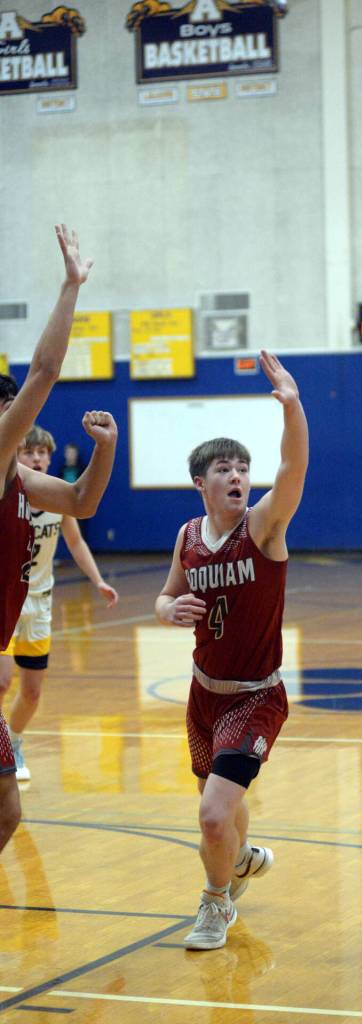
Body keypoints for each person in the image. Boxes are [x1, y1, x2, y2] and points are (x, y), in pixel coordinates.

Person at [155, 350, 308, 951]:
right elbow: (165, 599)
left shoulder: (265, 527)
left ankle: (216, 903)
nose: (239, 475)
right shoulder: (188, 536)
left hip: (255, 696)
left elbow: (293, 467)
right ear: (202, 483)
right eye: (226, 468)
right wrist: (172, 611)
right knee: (222, 813)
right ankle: (241, 861)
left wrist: (291, 407)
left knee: (213, 815)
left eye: (244, 467)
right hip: (202, 695)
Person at [0, 224, 117, 855]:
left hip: (16, 618)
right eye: (9, 407)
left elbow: (81, 502)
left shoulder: (19, 477)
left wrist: (108, 449)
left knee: (7, 814)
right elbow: (46, 369)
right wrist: (71, 287)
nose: (18, 414)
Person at [0, 424, 119, 782]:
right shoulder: (7, 495)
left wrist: (97, 580)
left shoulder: (56, 501)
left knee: (32, 693)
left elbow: (77, 543)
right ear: (15, 458)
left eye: (42, 453)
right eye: (29, 452)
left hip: (39, 601)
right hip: (7, 598)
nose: (36, 458)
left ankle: (13, 740)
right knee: (3, 682)